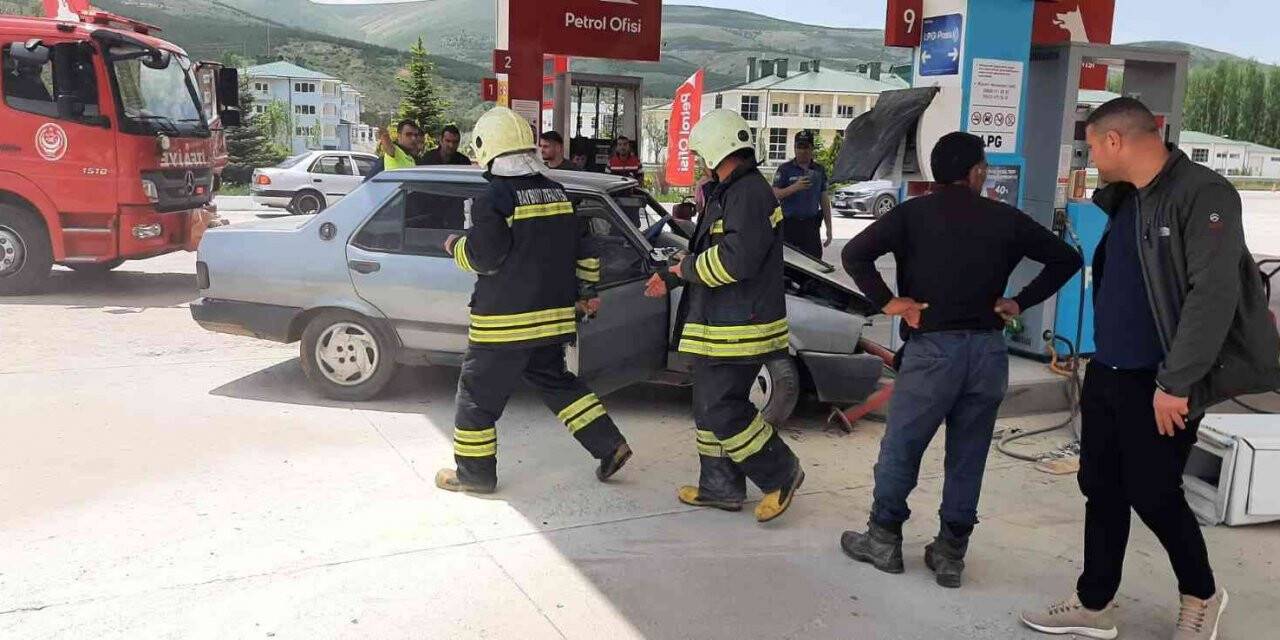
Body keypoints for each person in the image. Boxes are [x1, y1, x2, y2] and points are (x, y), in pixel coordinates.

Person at [1021, 98, 1280, 640]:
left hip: (1161, 379)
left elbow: (1212, 295)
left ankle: (1202, 594)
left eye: (1093, 147)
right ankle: (1094, 603)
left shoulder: (1203, 194)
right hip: (1108, 370)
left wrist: (1176, 382)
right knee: (1101, 487)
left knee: (1154, 492)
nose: (1091, 158)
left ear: (1114, 141)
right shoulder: (1128, 198)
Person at [839, 131, 1082, 589]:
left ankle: (884, 539)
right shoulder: (1005, 218)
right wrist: (1019, 301)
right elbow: (1065, 259)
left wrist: (890, 303)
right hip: (988, 354)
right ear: (976, 172)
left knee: (902, 447)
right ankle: (950, 554)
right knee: (968, 455)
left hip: (932, 353)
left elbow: (855, 255)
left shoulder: (912, 215)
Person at [437, 106, 632, 494]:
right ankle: (610, 445)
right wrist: (587, 292)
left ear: (488, 148)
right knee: (557, 383)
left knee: (475, 398)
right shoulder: (558, 192)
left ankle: (475, 475)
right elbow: (586, 250)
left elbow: (484, 258)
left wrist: (455, 246)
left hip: (502, 325)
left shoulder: (494, 197)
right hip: (553, 319)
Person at [644, 109, 805, 523]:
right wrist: (674, 273)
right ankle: (720, 486)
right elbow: (710, 251)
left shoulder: (747, 194)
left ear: (718, 150)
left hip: (739, 327)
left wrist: (685, 269)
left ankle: (781, 472)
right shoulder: (729, 191)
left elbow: (736, 261)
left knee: (722, 408)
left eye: (702, 154)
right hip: (721, 324)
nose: (701, 161)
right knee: (708, 408)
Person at [772, 131, 833, 259]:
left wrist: (829, 228)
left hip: (811, 226)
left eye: (806, 147)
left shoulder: (819, 170)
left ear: (812, 149)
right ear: (794, 148)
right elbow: (775, 194)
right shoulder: (785, 169)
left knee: (813, 263)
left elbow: (824, 199)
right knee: (788, 263)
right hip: (789, 225)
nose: (802, 151)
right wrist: (794, 187)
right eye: (799, 147)